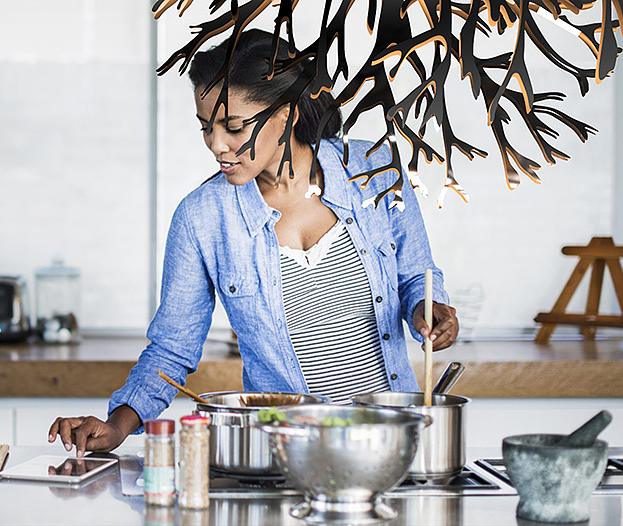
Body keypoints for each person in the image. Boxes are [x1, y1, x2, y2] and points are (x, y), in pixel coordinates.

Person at [49, 29, 459, 457]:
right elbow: (172, 348)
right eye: (206, 127)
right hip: (287, 458)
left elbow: (417, 277)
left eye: (232, 126)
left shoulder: (374, 169)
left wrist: (429, 310)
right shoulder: (203, 218)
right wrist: (117, 427)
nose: (216, 145)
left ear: (286, 114)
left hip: (394, 448)